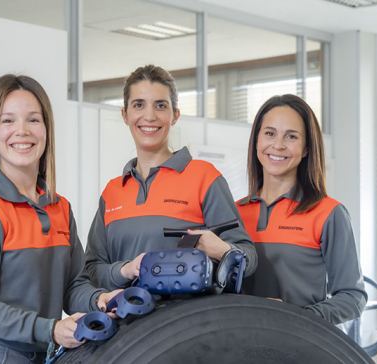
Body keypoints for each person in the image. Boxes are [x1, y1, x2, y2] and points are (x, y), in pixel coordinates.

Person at [0, 74, 118, 364]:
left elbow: (72, 285)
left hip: (43, 354)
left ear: (46, 130)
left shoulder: (60, 208)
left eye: (33, 120)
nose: (22, 131)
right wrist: (50, 329)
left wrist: (99, 300)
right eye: (8, 121)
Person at [84, 65, 257, 291]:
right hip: (127, 322)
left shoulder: (204, 177)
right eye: (138, 105)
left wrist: (224, 250)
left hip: (187, 323)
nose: (149, 116)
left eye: (160, 106)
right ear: (125, 115)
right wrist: (125, 269)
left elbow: (249, 258)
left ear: (175, 115)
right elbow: (92, 271)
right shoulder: (113, 192)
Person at [237, 94, 367, 325]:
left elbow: (353, 298)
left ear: (306, 148)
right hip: (240, 346)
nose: (278, 145)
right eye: (269, 133)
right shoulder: (233, 213)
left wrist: (298, 317)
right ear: (256, 140)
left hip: (300, 348)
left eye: (291, 136)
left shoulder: (328, 213)